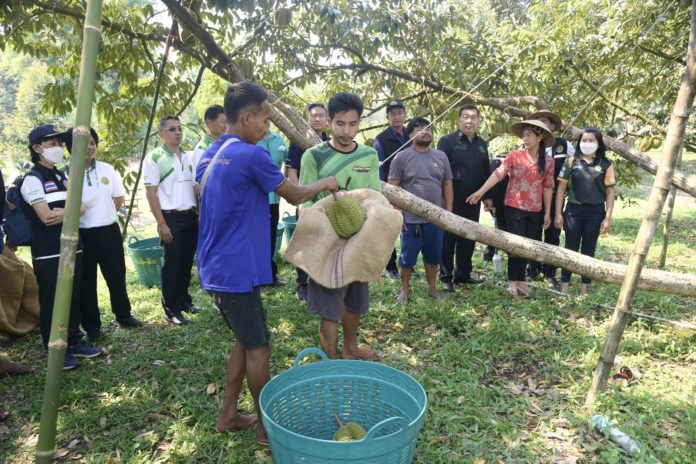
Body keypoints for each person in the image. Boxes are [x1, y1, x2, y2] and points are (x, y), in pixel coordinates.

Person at [196, 81, 338, 445]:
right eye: (264, 119)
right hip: (235, 271)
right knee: (259, 349)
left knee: (245, 342)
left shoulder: (211, 154)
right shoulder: (251, 154)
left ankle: (228, 414)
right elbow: (294, 194)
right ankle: (265, 427)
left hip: (214, 267)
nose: (267, 127)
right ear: (246, 117)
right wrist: (326, 182)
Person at [300, 92, 381, 361]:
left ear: (360, 123)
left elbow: (375, 198)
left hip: (359, 241)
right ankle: (330, 361)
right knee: (330, 306)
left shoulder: (369, 155)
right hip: (327, 242)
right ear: (329, 122)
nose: (347, 131)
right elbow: (305, 202)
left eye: (353, 124)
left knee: (354, 301)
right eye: (340, 124)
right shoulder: (314, 156)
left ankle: (351, 348)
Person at [20, 125, 102, 370]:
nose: (57, 148)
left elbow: (82, 207)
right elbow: (46, 216)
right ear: (37, 149)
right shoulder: (32, 180)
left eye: (58, 143)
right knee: (53, 301)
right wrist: (72, 211)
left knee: (73, 298)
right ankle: (55, 347)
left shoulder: (61, 176)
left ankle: (75, 341)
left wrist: (66, 212)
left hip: (73, 248)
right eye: (51, 144)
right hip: (49, 253)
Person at [65, 127, 140, 343]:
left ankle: (123, 315)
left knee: (116, 276)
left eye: (92, 142)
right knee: (86, 282)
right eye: (83, 143)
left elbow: (118, 198)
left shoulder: (107, 169)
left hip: (109, 231)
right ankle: (92, 326)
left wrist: (104, 215)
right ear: (71, 148)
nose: (89, 147)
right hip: (82, 235)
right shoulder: (66, 173)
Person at [466, 120, 555, 297]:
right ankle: (513, 281)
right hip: (514, 206)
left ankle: (521, 280)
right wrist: (481, 192)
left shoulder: (548, 161)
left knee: (527, 245)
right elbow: (498, 174)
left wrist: (547, 212)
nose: (525, 138)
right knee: (516, 245)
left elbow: (547, 187)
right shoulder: (515, 155)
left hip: (535, 208)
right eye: (524, 135)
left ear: (540, 137)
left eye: (529, 134)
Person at [388, 117, 453, 303]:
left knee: (433, 257)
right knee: (407, 259)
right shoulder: (401, 157)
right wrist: (398, 213)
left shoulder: (441, 156)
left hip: (436, 218)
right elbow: (393, 188)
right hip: (411, 220)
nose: (425, 131)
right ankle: (404, 290)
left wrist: (448, 211)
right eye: (419, 129)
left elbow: (447, 184)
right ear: (410, 135)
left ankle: (432, 288)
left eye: (428, 128)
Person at [143, 115, 199, 325]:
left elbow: (194, 187)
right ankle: (171, 309)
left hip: (190, 215)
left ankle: (184, 300)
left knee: (186, 262)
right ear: (161, 134)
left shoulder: (187, 156)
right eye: (172, 129)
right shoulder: (155, 158)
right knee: (173, 264)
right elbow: (151, 193)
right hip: (170, 218)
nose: (178, 133)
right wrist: (161, 223)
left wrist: (199, 212)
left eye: (179, 129)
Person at [437, 105, 492, 291]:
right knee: (448, 238)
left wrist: (487, 197)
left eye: (473, 117)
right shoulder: (447, 142)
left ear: (478, 120)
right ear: (459, 120)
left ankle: (463, 274)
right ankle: (446, 277)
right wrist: (443, 199)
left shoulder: (481, 144)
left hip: (474, 200)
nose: (469, 121)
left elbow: (486, 172)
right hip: (452, 200)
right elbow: (440, 172)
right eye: (465, 117)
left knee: (469, 237)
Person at [555, 128, 615, 295]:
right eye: (584, 140)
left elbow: (610, 192)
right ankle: (565, 284)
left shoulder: (606, 165)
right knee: (570, 247)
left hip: (596, 212)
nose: (587, 144)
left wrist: (608, 217)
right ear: (579, 142)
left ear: (598, 143)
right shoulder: (571, 162)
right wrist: (558, 213)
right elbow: (561, 189)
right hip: (573, 210)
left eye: (591, 140)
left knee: (589, 249)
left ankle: (584, 286)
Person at [286, 102, 329, 301]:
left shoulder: (330, 142)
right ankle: (302, 284)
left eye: (321, 115)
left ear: (327, 120)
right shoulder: (298, 142)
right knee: (304, 241)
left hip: (327, 201)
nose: (317, 119)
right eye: (313, 115)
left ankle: (321, 281)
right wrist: (299, 198)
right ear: (307, 118)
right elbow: (292, 172)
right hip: (305, 201)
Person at [526, 110, 575, 286]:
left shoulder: (564, 145)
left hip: (555, 198)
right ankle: (532, 269)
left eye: (546, 121)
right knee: (532, 233)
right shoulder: (528, 144)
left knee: (553, 233)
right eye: (538, 122)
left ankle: (549, 272)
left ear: (553, 126)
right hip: (532, 198)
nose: (542, 125)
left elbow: (574, 167)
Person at [375, 99, 409, 280]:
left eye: (399, 113)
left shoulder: (411, 135)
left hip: (410, 190)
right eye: (393, 114)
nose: (397, 117)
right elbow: (379, 167)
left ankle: (406, 263)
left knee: (408, 227)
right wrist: (384, 192)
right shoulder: (381, 139)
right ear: (388, 117)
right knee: (389, 228)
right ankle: (391, 266)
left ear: (405, 115)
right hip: (390, 189)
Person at [257, 122, 288, 286]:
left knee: (270, 237)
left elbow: (287, 164)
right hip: (256, 200)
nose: (265, 122)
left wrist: (284, 185)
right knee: (258, 238)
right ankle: (259, 278)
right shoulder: (252, 140)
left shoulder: (278, 139)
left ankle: (270, 276)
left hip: (273, 199)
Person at [481, 153, 510, 261]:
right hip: (496, 199)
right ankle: (491, 251)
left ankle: (491, 251)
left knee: (501, 226)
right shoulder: (497, 165)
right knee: (502, 226)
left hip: (505, 199)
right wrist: (488, 198)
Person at [192, 104, 226, 171]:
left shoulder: (227, 143)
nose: (226, 126)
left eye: (228, 123)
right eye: (223, 122)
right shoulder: (202, 148)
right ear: (209, 123)